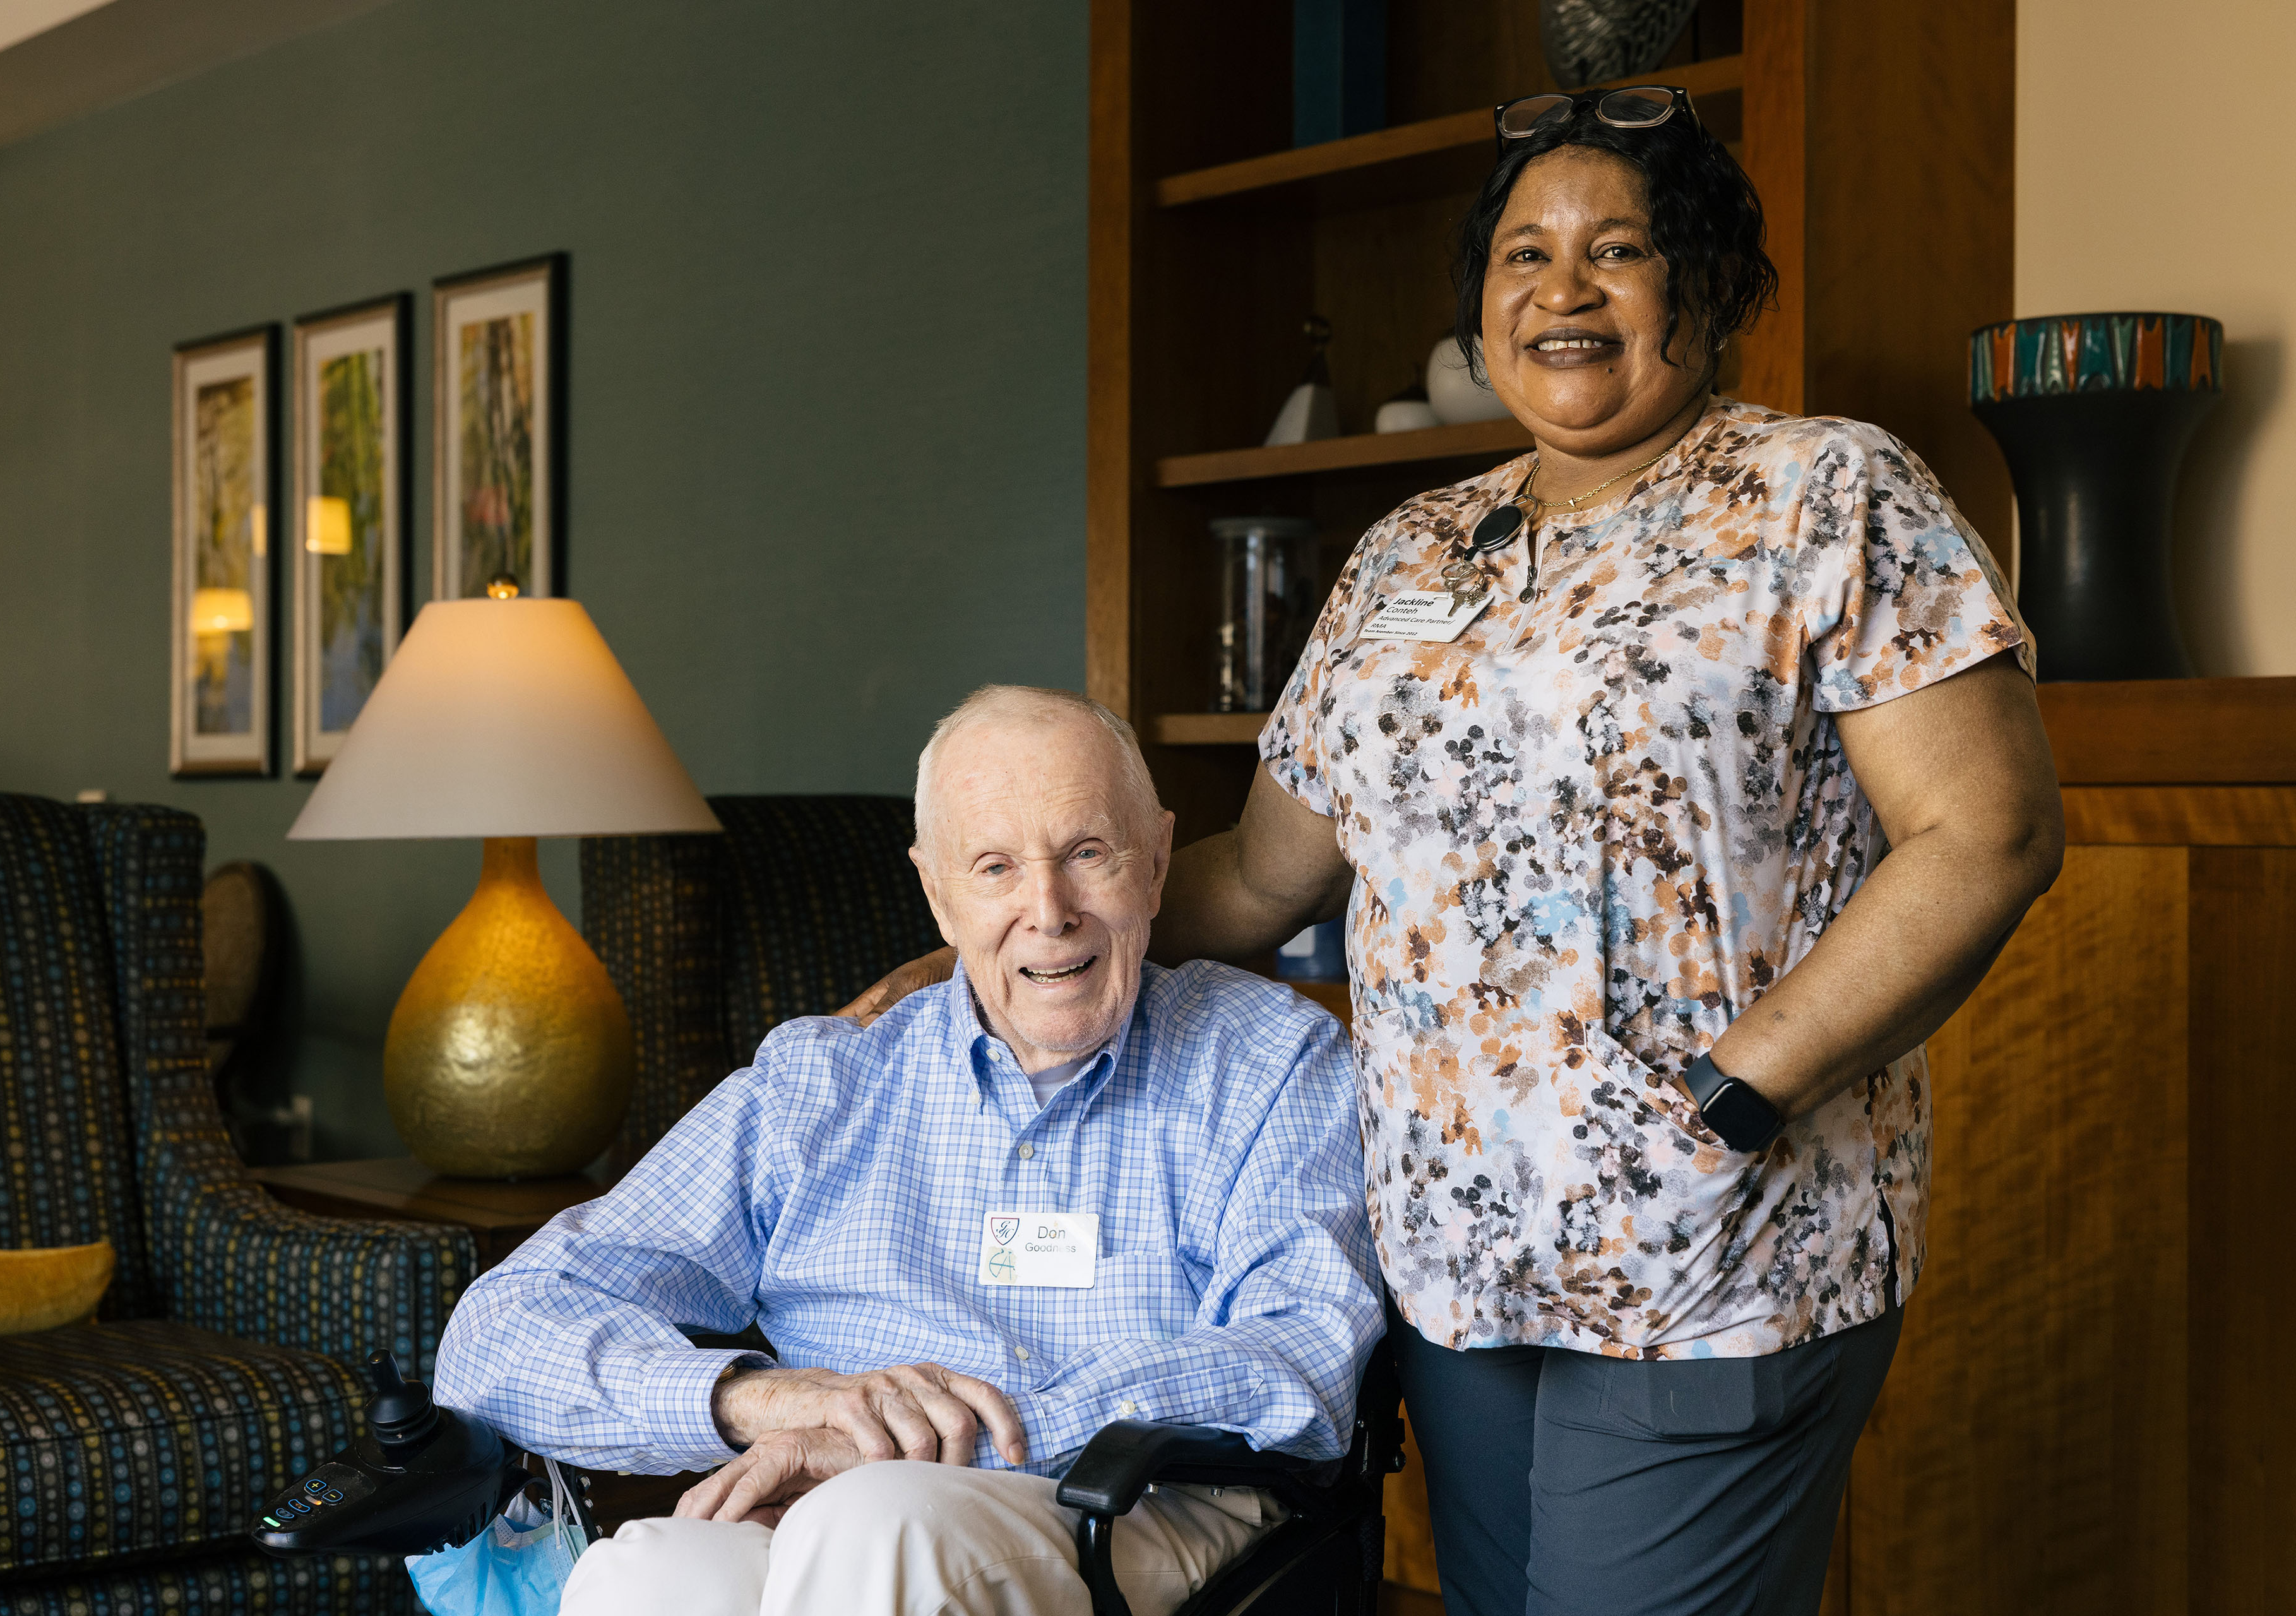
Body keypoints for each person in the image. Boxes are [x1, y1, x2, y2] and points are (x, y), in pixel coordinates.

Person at [842, 89, 2067, 1616]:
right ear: (1481, 305)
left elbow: (1988, 831)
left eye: (1618, 249)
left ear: (1705, 285)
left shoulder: (1828, 494)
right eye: (1522, 253)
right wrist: (1000, 957)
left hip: (1714, 1252)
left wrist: (1736, 1093)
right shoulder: (1409, 552)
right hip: (1454, 1264)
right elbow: (1260, 877)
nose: (1562, 288)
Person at [432, 685, 1383, 1616]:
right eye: (995, 868)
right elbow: (498, 1334)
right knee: (647, 1574)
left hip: (1149, 1502)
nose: (1048, 910)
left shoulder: (1272, 1060)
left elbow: (1301, 1352)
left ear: (1160, 857)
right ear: (936, 893)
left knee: (877, 1522)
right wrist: (761, 1405)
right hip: (825, 1505)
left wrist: (960, 1440)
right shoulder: (821, 1082)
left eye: (1088, 852)